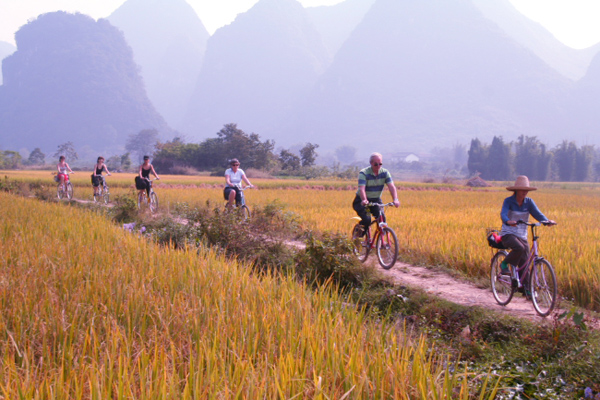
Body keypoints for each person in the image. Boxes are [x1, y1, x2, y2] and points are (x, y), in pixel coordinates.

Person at [499, 176, 556, 287]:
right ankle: (504, 264)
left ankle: (526, 290)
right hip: (508, 233)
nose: (525, 192)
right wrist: (508, 221)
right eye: (522, 189)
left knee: (525, 263)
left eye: (526, 190)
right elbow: (503, 214)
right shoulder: (508, 201)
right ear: (516, 190)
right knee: (519, 247)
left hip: (522, 235)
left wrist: (546, 221)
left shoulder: (529, 202)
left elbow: (538, 214)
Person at [353, 152, 400, 235]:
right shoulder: (364, 173)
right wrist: (364, 200)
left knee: (382, 218)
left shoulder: (385, 173)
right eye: (376, 164)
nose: (378, 166)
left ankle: (381, 241)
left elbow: (391, 187)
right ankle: (357, 239)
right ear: (371, 163)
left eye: (380, 164)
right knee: (367, 220)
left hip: (376, 200)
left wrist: (395, 199)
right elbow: (362, 189)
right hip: (361, 200)